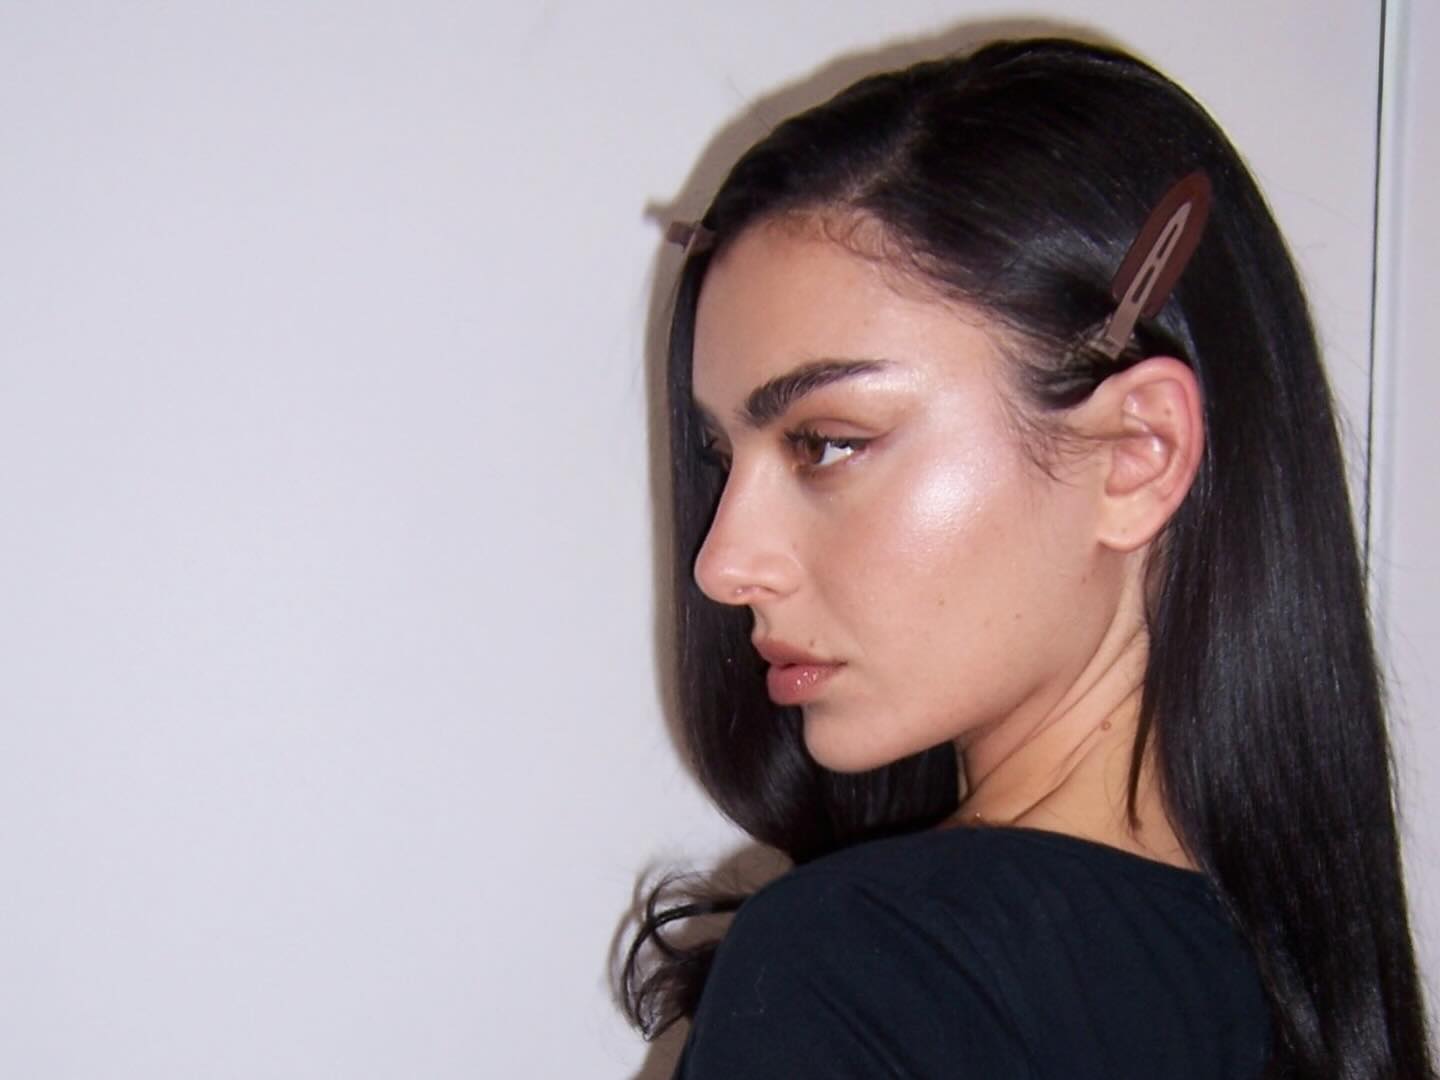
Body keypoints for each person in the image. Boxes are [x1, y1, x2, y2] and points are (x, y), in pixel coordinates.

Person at [621, 37, 1434, 1079]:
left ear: (1136, 453)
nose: (724, 564)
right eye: (720, 458)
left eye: (827, 443)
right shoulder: (1289, 984)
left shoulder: (867, 972)